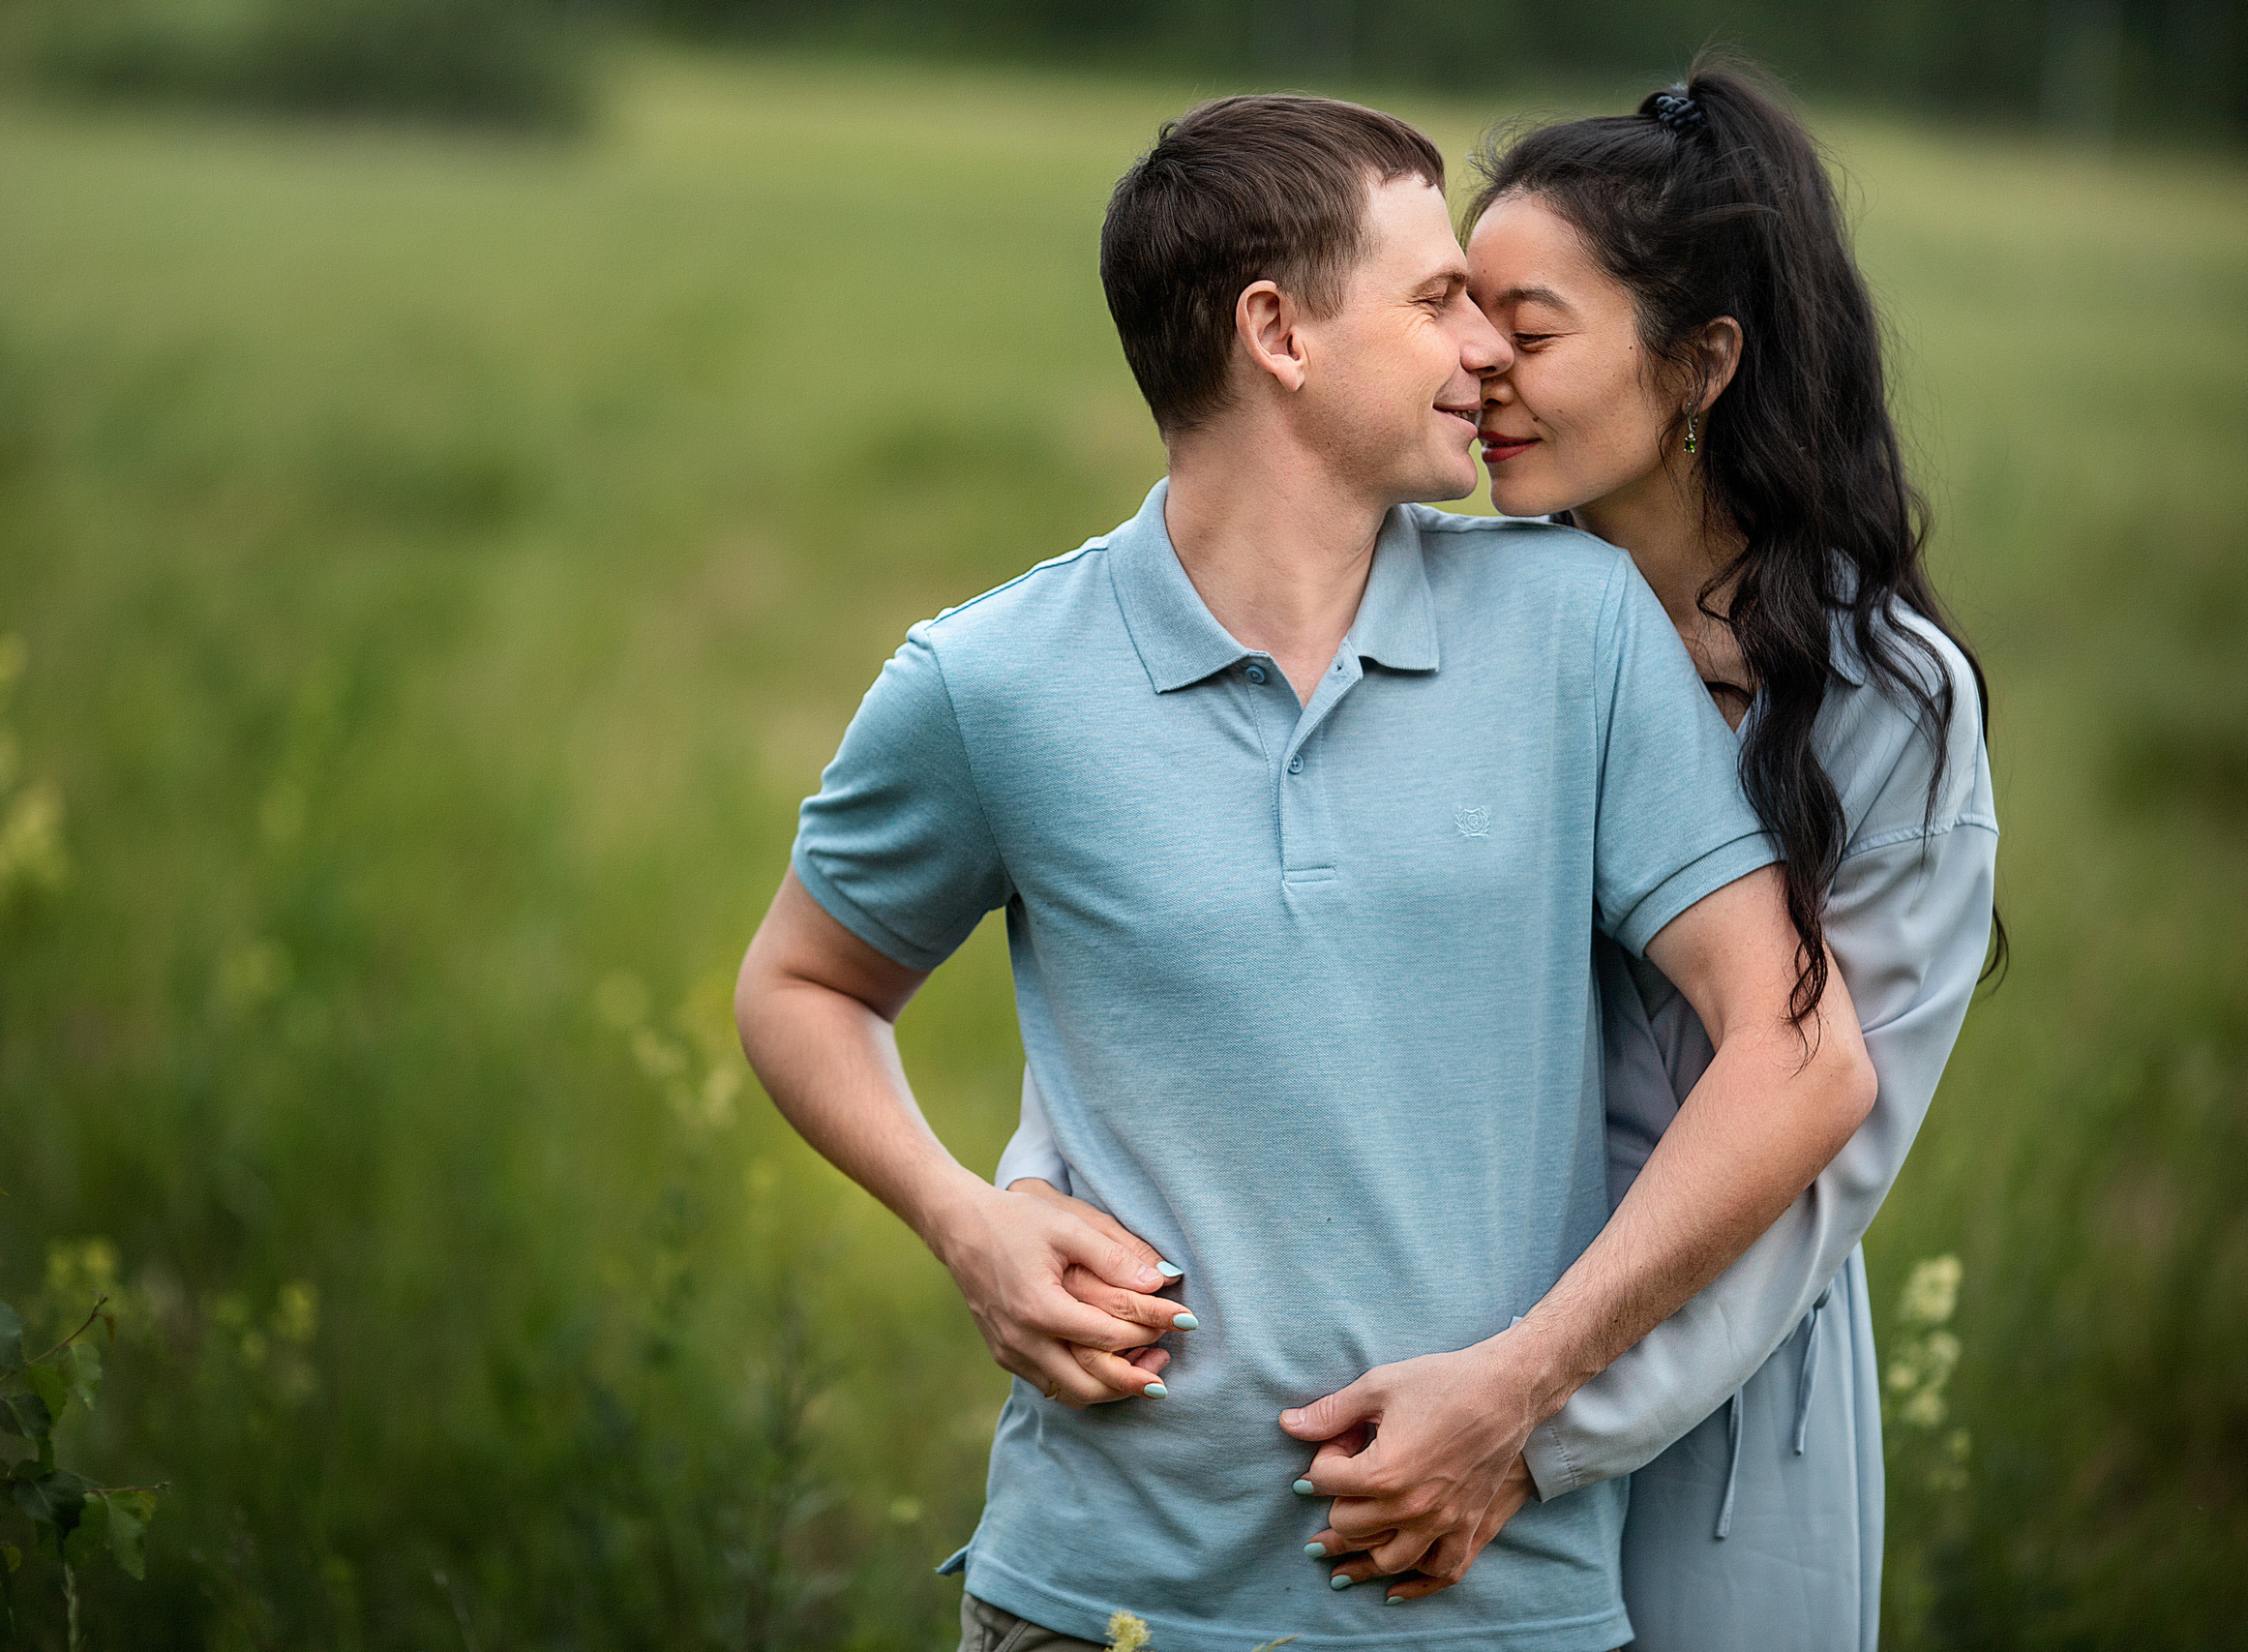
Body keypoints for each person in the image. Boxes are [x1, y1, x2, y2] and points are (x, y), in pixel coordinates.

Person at [733, 94, 1875, 1652]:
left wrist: (1522, 1390)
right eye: (1434, 300)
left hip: (1495, 1606)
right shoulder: (991, 684)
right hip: (1095, 1600)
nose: (1485, 350)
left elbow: (1802, 1055)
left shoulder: (1578, 631)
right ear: (1278, 333)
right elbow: (802, 984)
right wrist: (961, 1219)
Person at [1000, 60, 2000, 1643]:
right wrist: (1034, 1192)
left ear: (1700, 366)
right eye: (1460, 314)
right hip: (1417, 1379)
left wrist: (1531, 1425)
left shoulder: (1888, 704)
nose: (1477, 368)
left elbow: (1822, 1154)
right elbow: (1225, 962)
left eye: (1529, 334)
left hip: (1701, 1383)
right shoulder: (1476, 616)